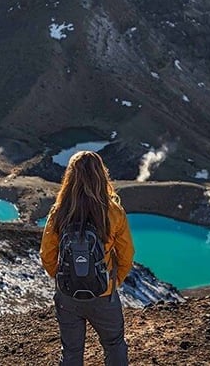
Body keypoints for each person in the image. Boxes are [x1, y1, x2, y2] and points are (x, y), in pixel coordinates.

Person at [40, 150, 135, 366]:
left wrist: (64, 277)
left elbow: (47, 255)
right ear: (101, 175)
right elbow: (127, 255)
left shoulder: (59, 212)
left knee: (72, 351)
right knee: (114, 344)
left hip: (67, 296)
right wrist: (113, 281)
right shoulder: (113, 211)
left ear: (70, 177)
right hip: (103, 294)